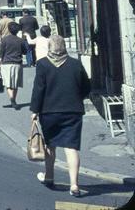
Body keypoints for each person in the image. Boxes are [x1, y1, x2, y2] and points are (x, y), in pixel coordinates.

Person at [30, 34, 91, 198]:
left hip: (49, 111)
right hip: (73, 111)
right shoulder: (76, 64)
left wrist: (34, 110)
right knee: (71, 148)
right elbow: (86, 87)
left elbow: (38, 89)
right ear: (64, 47)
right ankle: (74, 185)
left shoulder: (42, 64)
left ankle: (49, 177)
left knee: (50, 145)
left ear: (50, 48)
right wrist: (77, 98)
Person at [0, 22, 28, 110]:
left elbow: (1, 54)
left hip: (6, 64)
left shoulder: (5, 40)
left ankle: (11, 99)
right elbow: (25, 52)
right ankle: (13, 100)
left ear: (9, 29)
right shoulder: (20, 40)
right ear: (18, 31)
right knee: (15, 84)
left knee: (8, 84)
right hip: (18, 63)